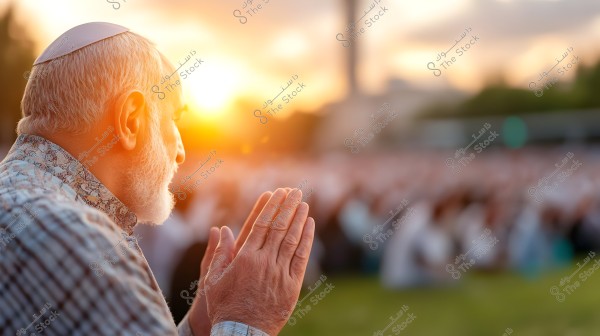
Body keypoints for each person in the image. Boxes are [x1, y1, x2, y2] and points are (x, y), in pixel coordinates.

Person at [0, 22, 315, 336]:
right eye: (173, 119)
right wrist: (248, 321)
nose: (180, 152)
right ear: (131, 121)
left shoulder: (31, 210)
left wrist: (200, 325)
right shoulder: (69, 234)